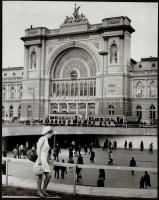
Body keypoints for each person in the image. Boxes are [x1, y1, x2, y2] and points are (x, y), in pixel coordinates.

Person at [34, 126, 54, 197]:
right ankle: (39, 191)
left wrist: (48, 160)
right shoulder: (42, 139)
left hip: (45, 161)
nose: (52, 135)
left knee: (49, 176)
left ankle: (43, 190)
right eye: (51, 134)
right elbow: (38, 149)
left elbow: (46, 152)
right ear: (48, 133)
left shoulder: (46, 140)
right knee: (40, 176)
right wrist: (39, 159)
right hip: (41, 160)